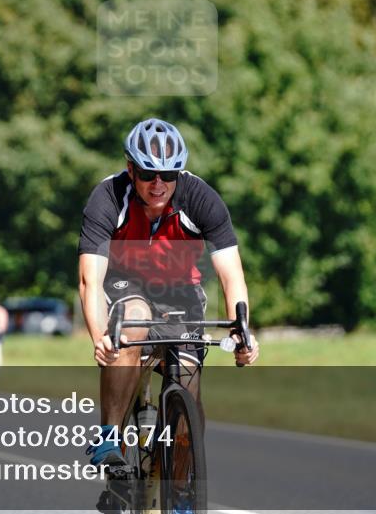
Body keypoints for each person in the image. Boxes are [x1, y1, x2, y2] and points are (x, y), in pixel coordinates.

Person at [77, 118, 260, 469]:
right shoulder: (108, 197)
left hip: (180, 292)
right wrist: (99, 336)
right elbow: (90, 278)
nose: (158, 184)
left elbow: (231, 273)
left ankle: (179, 492)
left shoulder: (201, 198)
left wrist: (242, 332)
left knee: (188, 389)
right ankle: (109, 437)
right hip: (124, 282)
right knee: (133, 322)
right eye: (148, 174)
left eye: (168, 175)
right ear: (131, 169)